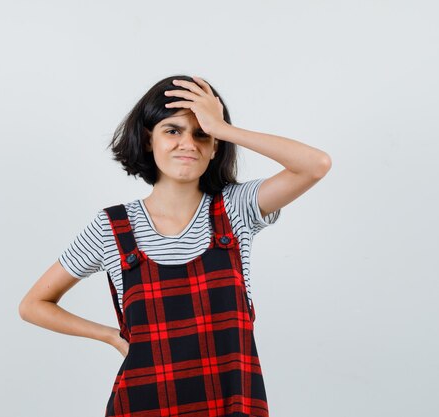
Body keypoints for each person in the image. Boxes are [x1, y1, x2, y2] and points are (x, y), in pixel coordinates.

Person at [18, 74, 331, 416]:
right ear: (148, 139)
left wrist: (223, 128)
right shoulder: (112, 227)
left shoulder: (236, 208)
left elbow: (315, 165)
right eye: (172, 130)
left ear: (215, 148)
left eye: (202, 134)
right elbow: (34, 304)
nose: (188, 143)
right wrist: (110, 335)